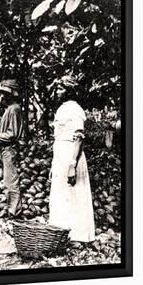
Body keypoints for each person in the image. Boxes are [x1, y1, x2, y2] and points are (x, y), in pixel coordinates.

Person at [48, 75, 95, 242]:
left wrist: (72, 165)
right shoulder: (62, 109)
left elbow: (79, 138)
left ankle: (78, 236)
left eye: (61, 89)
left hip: (70, 155)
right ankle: (61, 234)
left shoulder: (75, 110)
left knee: (74, 194)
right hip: (61, 154)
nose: (58, 92)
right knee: (62, 194)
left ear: (69, 91)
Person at [0, 79, 25, 218]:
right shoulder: (9, 109)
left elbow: (13, 135)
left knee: (11, 181)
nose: (2, 96)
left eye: (5, 93)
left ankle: (14, 211)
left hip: (10, 149)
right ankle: (12, 209)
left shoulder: (14, 109)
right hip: (6, 149)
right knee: (7, 180)